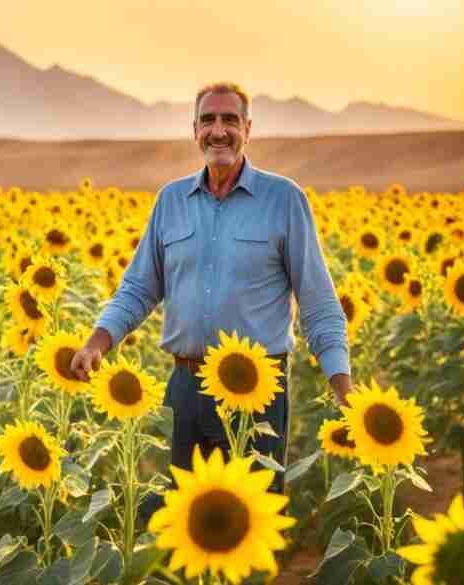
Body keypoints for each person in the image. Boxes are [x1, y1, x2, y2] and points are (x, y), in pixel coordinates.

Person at [69, 81, 352, 515]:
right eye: (208, 120)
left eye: (229, 120)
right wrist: (96, 343)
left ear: (248, 129)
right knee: (190, 524)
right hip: (186, 387)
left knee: (252, 521)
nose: (218, 131)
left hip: (255, 389)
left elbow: (317, 302)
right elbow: (139, 288)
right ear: (194, 130)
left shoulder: (284, 200)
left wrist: (342, 388)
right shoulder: (171, 201)